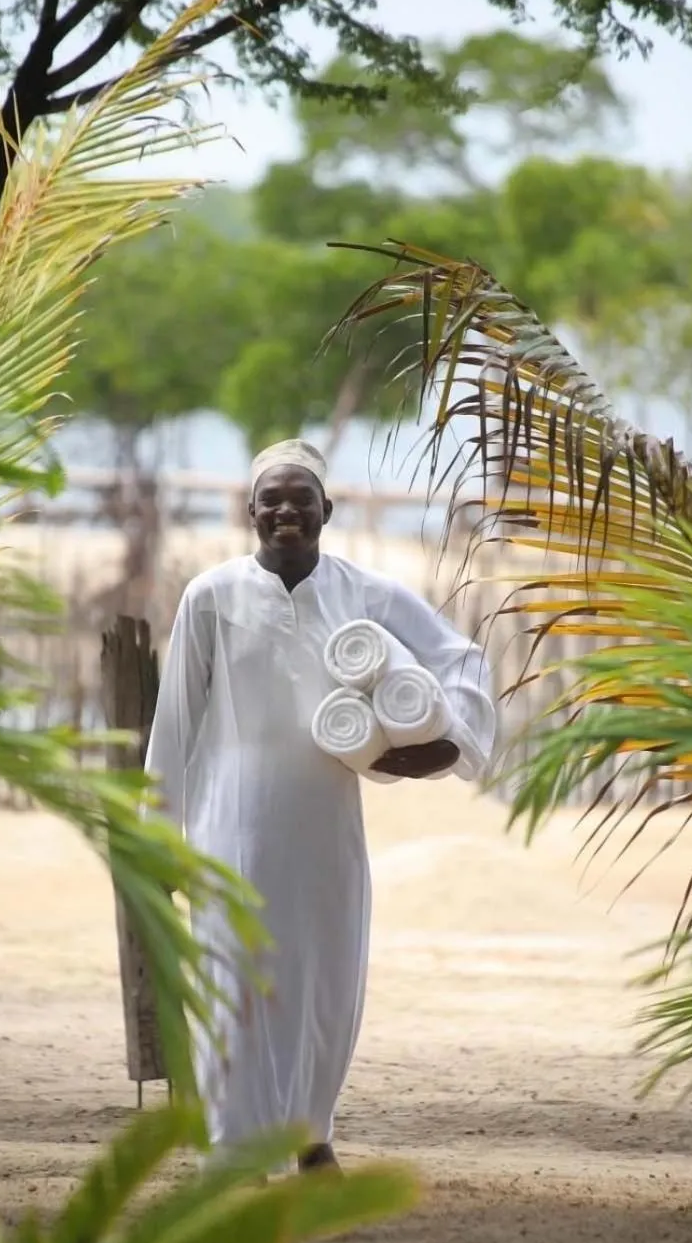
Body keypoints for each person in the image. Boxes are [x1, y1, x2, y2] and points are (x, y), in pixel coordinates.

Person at [145, 438, 497, 1172]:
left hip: (324, 824)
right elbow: (175, 725)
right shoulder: (210, 595)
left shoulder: (364, 593)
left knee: (323, 981)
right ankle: (234, 1150)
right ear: (248, 511)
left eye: (301, 500)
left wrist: (443, 745)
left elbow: (459, 659)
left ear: (326, 510)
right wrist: (159, 838)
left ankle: (311, 1136)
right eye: (271, 500)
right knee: (231, 975)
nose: (285, 512)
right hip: (227, 824)